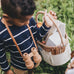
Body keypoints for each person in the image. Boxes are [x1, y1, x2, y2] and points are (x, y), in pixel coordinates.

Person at [0, 0, 57, 74]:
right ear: (7, 17)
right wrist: (7, 70)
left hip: (35, 59)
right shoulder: (1, 32)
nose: (28, 22)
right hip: (19, 66)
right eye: (23, 21)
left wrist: (46, 25)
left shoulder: (27, 18)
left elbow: (37, 36)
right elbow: (1, 53)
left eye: (29, 19)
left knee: (31, 69)